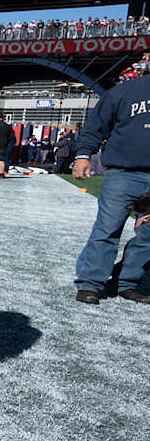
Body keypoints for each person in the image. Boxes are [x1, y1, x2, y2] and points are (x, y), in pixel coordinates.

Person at [71, 71, 150, 305]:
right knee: (107, 230)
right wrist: (83, 155)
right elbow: (96, 125)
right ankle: (90, 284)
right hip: (123, 174)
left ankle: (126, 283)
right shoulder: (125, 91)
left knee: (148, 235)